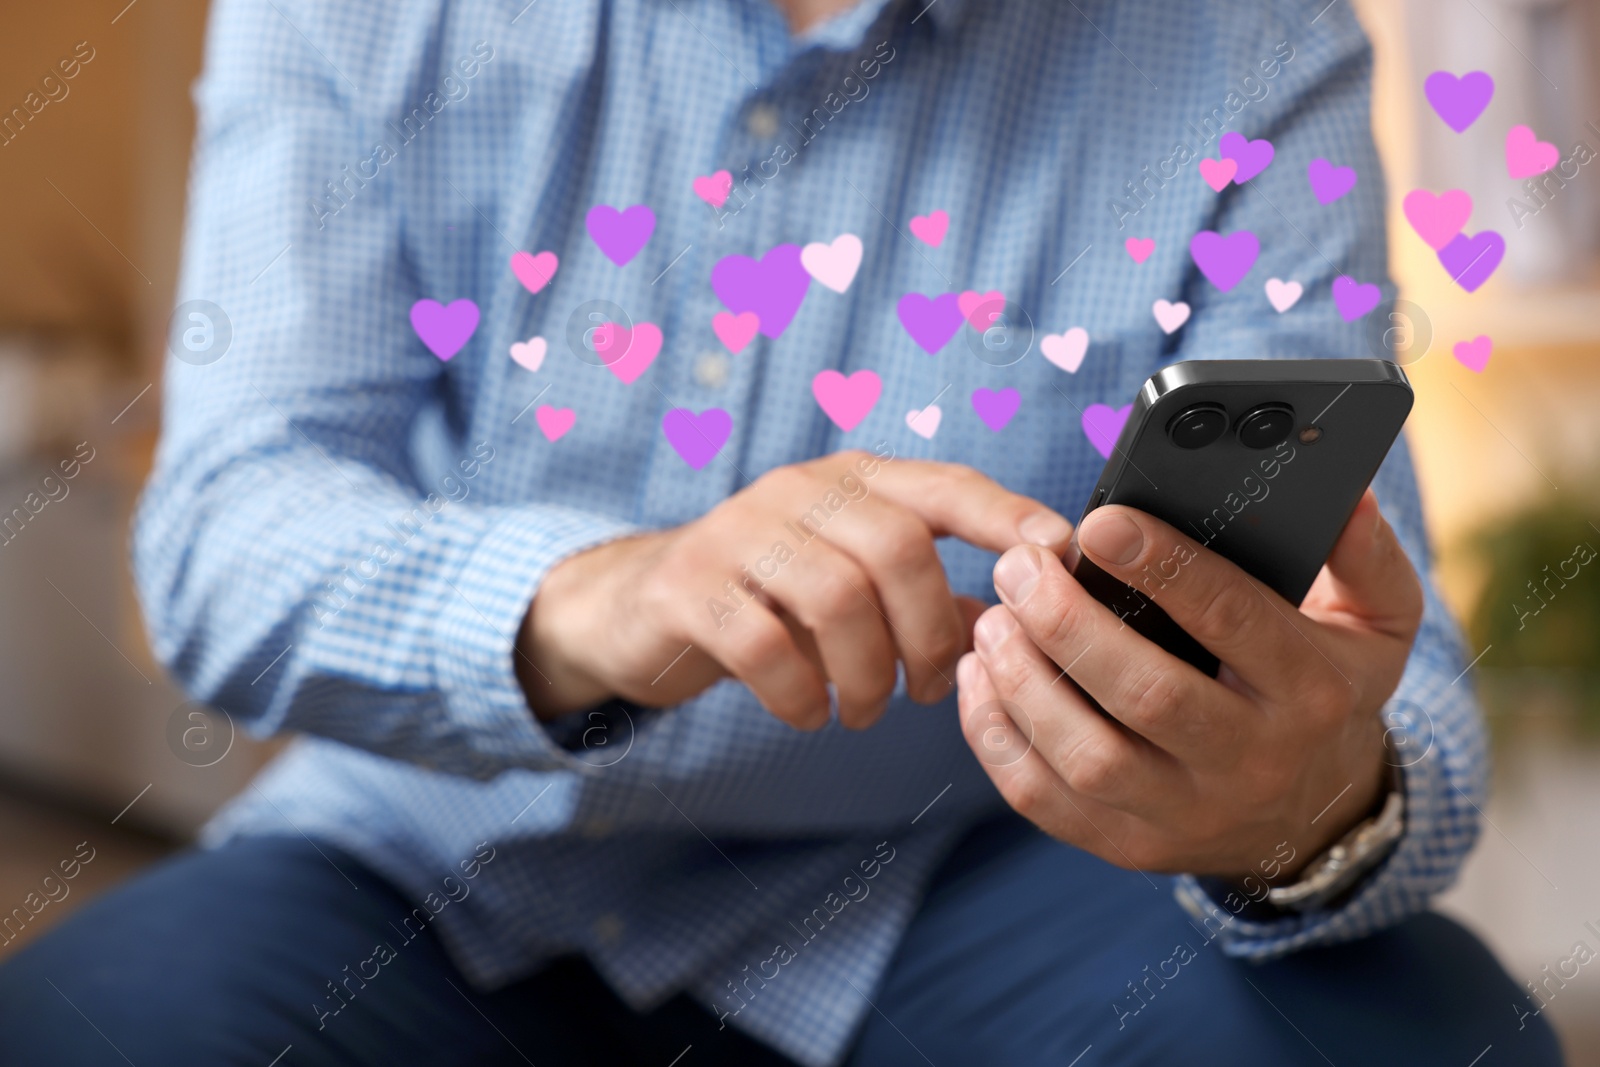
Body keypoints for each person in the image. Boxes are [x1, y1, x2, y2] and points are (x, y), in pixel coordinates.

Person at [0, 0, 1565, 1063]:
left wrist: (1307, 807)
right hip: (432, 860)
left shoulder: (1250, 42)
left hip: (970, 870)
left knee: (1431, 1035)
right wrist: (599, 595)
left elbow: (1390, 671)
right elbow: (225, 537)